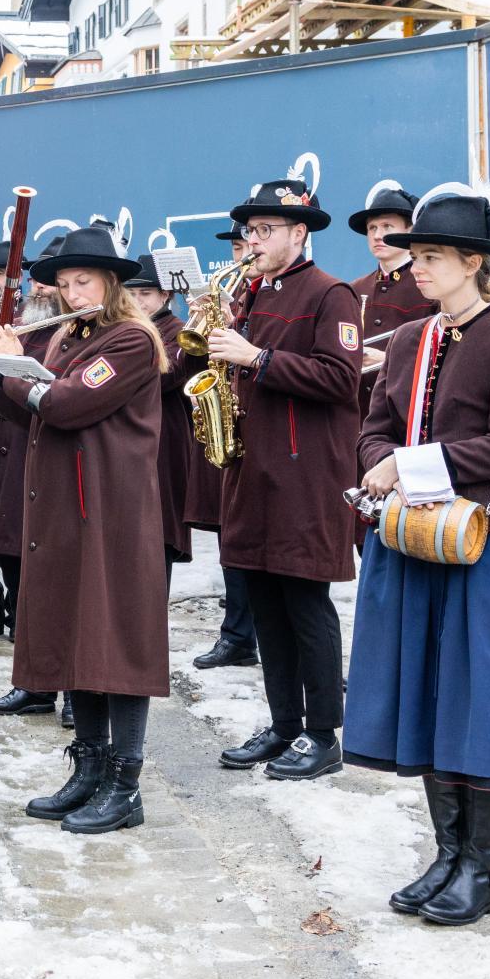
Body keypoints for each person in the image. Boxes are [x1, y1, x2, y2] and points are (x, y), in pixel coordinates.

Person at [346, 183, 490, 927]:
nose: (416, 268)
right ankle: (446, 854)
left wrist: (409, 465)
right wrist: (385, 465)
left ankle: (482, 869)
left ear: (472, 262)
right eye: (415, 255)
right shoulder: (407, 338)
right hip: (412, 538)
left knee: (481, 697)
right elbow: (373, 429)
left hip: (482, 536)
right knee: (428, 691)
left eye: (430, 256)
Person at [0, 222, 170, 833]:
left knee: (118, 643)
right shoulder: (65, 336)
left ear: (111, 282)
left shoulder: (132, 341)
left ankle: (126, 783)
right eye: (63, 283)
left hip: (111, 512)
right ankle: (87, 770)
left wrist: (19, 372)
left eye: (82, 280)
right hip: (67, 509)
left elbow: (64, 405)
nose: (70, 292)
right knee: (77, 635)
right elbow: (31, 407)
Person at [205, 168, 362, 781]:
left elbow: (342, 379)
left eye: (265, 229)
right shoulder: (249, 294)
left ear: (299, 233)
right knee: (265, 604)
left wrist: (258, 358)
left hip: (305, 474)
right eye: (249, 230)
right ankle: (283, 723)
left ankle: (323, 734)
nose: (252, 240)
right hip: (253, 466)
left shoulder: (331, 294)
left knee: (305, 603)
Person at [0, 244, 66, 721]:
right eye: (42, 279)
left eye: (60, 282)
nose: (44, 288)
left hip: (67, 475)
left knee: (63, 589)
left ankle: (75, 692)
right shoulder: (25, 328)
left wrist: (12, 372)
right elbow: (11, 398)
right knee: (25, 586)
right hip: (19, 464)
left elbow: (58, 402)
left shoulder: (84, 336)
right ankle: (34, 683)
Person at [188, 227, 257, 671]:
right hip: (234, 417)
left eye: (249, 242)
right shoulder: (244, 292)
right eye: (236, 247)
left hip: (271, 433)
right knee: (233, 538)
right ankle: (237, 635)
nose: (244, 253)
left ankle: (245, 635)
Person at [125, 254, 195, 583]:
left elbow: (166, 375)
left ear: (165, 296)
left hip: (165, 442)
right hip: (131, 442)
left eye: (146, 294)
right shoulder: (122, 330)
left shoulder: (179, 330)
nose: (137, 302)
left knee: (158, 534)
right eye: (132, 294)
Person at [348, 180, 435, 410]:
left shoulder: (430, 286)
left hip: (409, 410)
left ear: (409, 231)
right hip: (359, 414)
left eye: (387, 226)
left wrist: (386, 360)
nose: (378, 235)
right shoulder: (355, 289)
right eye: (372, 228)